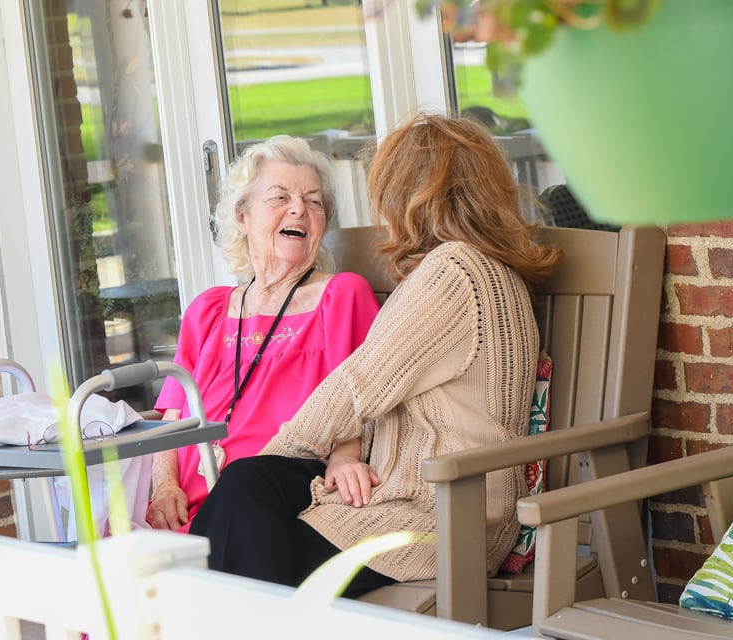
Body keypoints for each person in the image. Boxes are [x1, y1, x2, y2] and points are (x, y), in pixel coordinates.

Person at [188, 113, 562, 598]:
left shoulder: (454, 273)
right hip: (424, 497)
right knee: (245, 491)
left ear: (411, 195)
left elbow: (357, 387)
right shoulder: (483, 267)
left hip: (441, 516)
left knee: (242, 528)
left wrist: (276, 455)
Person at [145, 135, 380, 533]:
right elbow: (171, 415)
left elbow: (365, 399)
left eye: (314, 201)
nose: (299, 210)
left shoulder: (340, 297)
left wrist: (345, 455)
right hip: (185, 510)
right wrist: (165, 486)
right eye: (280, 197)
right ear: (242, 216)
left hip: (273, 503)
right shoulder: (208, 310)